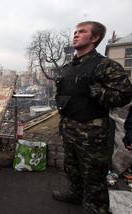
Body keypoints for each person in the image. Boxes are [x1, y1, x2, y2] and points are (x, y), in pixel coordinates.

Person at [53, 21, 132, 214]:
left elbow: (124, 96)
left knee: (94, 176)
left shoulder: (104, 65)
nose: (76, 35)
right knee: (72, 167)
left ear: (94, 38)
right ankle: (75, 193)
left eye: (82, 32)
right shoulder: (68, 67)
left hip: (92, 132)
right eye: (75, 32)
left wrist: (95, 90)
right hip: (70, 126)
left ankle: (96, 208)